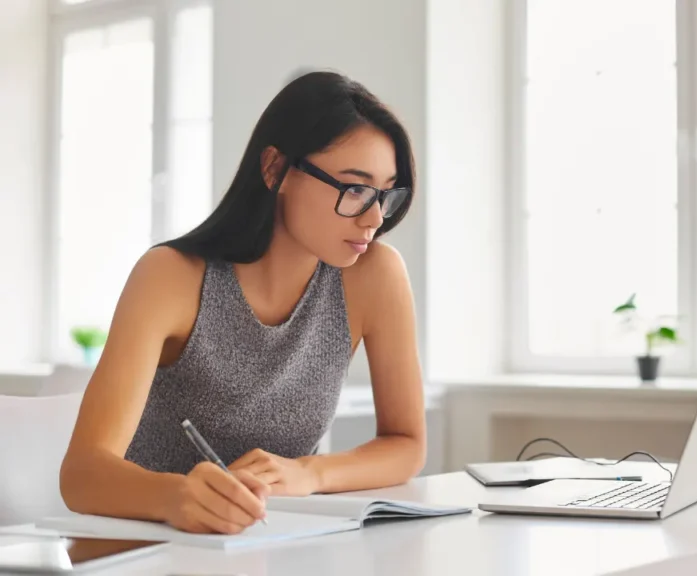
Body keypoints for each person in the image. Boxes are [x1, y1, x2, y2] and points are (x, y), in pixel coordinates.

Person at [59, 71, 425, 535]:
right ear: (275, 169)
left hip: (266, 547)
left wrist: (310, 473)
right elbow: (81, 475)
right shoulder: (170, 276)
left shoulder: (375, 275)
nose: (374, 217)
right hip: (144, 548)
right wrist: (176, 497)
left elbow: (406, 443)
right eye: (354, 189)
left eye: (385, 194)